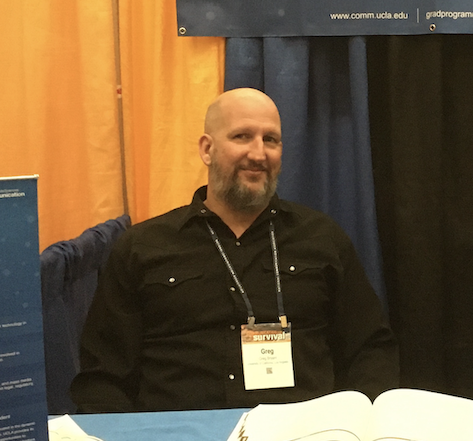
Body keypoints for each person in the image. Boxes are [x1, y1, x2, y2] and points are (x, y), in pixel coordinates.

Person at [71, 88, 398, 412]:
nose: (258, 154)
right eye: (242, 136)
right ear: (207, 149)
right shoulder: (141, 247)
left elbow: (370, 351)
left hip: (303, 430)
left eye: (270, 140)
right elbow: (103, 378)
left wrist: (357, 423)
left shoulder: (322, 239)